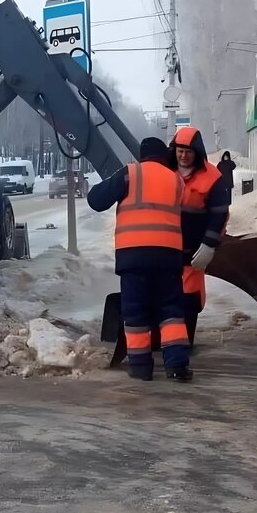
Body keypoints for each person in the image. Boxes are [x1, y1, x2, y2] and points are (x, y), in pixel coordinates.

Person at [88, 137, 193, 382]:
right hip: (168, 256)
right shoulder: (176, 180)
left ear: (141, 155)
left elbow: (96, 200)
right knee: (172, 312)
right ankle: (177, 365)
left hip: (134, 256)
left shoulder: (130, 174)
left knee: (135, 312)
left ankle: (141, 367)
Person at [168, 127, 232, 346]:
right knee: (163, 296)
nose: (183, 156)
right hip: (165, 248)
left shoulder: (213, 178)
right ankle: (162, 340)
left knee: (189, 297)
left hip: (193, 251)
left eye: (188, 151)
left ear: (197, 152)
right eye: (179, 151)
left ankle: (185, 341)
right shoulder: (163, 171)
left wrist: (209, 244)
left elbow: (220, 214)